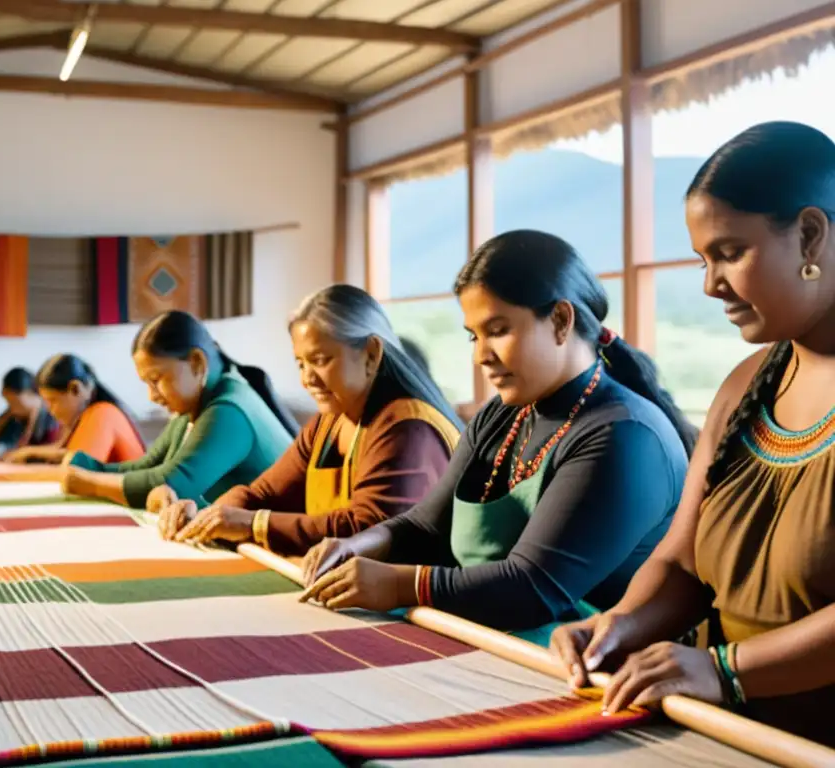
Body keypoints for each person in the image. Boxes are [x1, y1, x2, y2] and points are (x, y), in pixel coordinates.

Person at [550, 121, 835, 746]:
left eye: (731, 253)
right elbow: (683, 561)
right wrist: (620, 625)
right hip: (717, 727)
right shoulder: (745, 386)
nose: (711, 285)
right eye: (704, 260)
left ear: (810, 234)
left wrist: (726, 671)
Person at [300, 231, 698, 648]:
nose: (481, 355)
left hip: (601, 673)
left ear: (562, 321)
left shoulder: (624, 434)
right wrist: (359, 545)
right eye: (474, 335)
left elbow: (532, 589)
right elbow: (426, 526)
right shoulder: (503, 413)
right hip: (496, 645)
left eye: (498, 330)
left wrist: (402, 584)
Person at [160, 284, 462, 554]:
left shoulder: (407, 427)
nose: (307, 379)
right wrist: (209, 515)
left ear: (371, 354)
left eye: (320, 361)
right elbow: (263, 494)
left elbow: (368, 529)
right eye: (300, 363)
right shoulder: (328, 422)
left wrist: (253, 524)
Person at [61, 311, 296, 509]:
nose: (152, 396)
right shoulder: (195, 405)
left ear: (197, 363)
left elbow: (173, 484)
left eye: (157, 380)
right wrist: (89, 466)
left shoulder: (229, 409)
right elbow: (149, 465)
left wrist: (90, 483)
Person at [5, 353, 145, 465]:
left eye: (53, 401)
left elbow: (79, 470)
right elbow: (70, 453)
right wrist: (29, 452)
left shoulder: (103, 413)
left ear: (75, 389)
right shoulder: (86, 415)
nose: (51, 410)